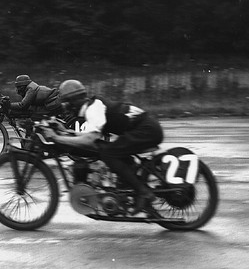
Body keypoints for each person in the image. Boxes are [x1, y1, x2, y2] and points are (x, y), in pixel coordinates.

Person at [44, 79, 163, 214]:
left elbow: (90, 139)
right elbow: (89, 133)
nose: (66, 109)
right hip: (146, 129)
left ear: (72, 102)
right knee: (111, 150)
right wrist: (65, 132)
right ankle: (130, 186)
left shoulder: (93, 109)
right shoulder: (93, 105)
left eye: (66, 103)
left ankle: (144, 193)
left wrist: (57, 138)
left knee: (108, 153)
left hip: (147, 131)